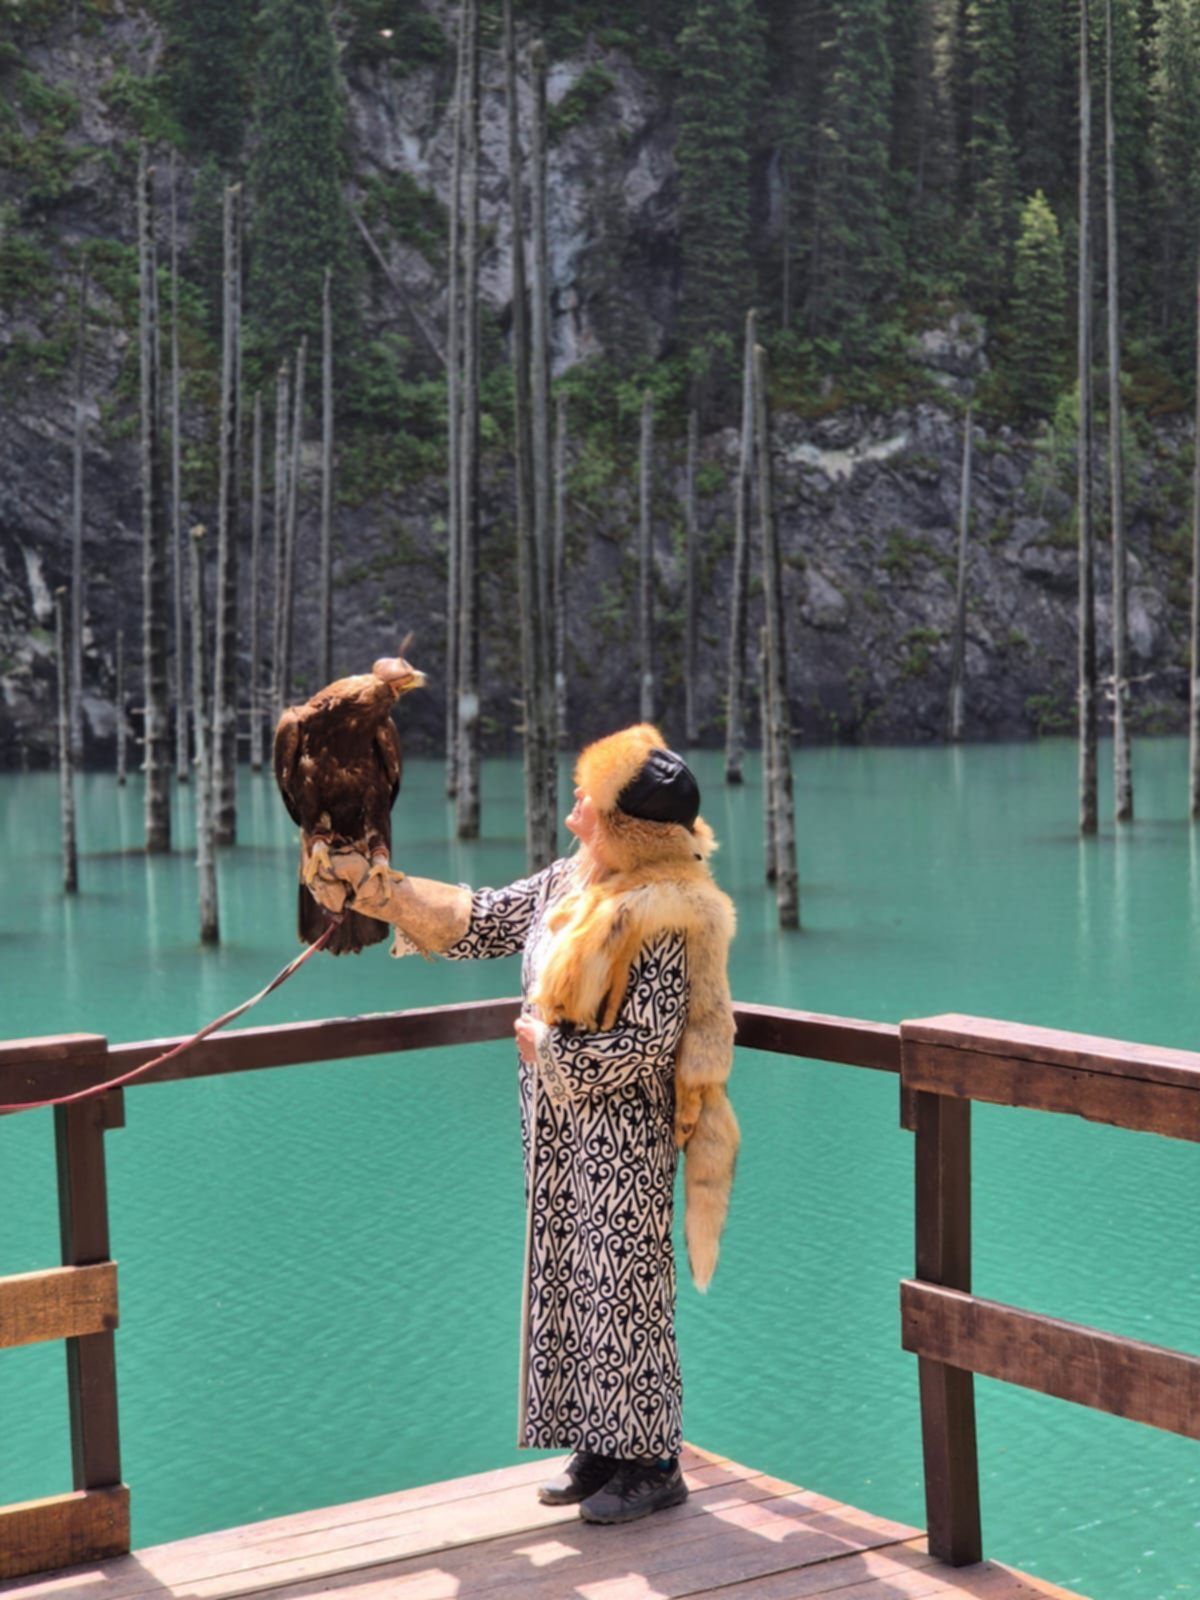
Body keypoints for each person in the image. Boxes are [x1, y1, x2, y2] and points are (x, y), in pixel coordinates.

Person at [306, 722, 738, 1525]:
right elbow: (484, 920)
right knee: (573, 1280)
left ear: (627, 827)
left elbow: (646, 1045)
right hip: (558, 1133)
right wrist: (377, 888)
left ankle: (654, 1462)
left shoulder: (667, 909)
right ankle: (603, 1445)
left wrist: (550, 1050)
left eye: (591, 800)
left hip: (623, 1136)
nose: (575, 808)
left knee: (628, 1289)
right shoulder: (574, 881)